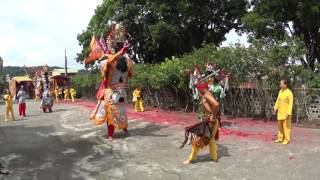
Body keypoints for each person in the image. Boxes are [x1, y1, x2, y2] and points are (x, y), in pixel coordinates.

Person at [182, 82, 220, 164]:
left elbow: (216, 105)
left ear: (201, 89)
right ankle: (214, 157)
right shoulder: (209, 94)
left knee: (198, 140)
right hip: (213, 122)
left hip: (209, 122)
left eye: (198, 90)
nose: (198, 93)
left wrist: (212, 116)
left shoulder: (206, 96)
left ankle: (190, 159)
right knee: (211, 140)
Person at [274, 79, 293, 145]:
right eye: (280, 84)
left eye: (281, 84)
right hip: (280, 112)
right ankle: (280, 138)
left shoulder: (289, 93)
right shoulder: (280, 91)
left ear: (285, 85)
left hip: (286, 113)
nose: (280, 85)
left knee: (286, 127)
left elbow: (290, 104)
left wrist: (288, 112)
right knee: (280, 126)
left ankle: (286, 139)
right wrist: (275, 107)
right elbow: (277, 100)